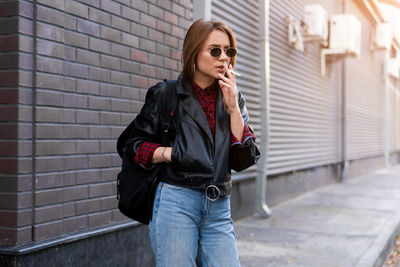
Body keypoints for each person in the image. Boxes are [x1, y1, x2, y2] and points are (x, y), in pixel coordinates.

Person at [122, 19, 260, 266]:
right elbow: (131, 145)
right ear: (194, 52)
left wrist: (233, 110)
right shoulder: (167, 93)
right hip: (176, 201)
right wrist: (170, 154)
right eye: (215, 50)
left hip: (218, 207)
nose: (224, 58)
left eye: (229, 51)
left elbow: (243, 159)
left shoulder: (233, 98)